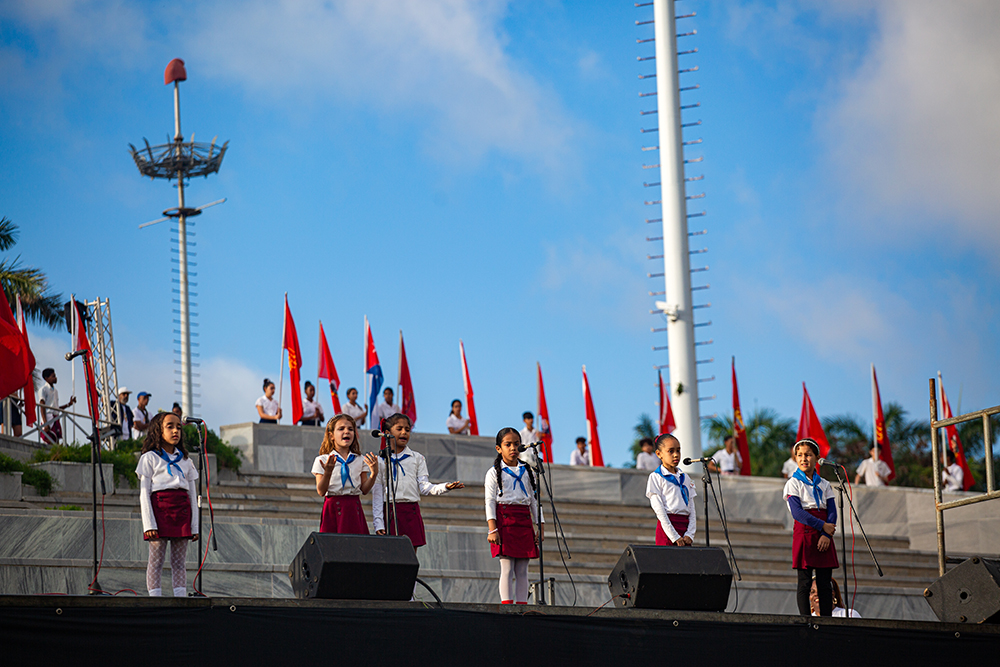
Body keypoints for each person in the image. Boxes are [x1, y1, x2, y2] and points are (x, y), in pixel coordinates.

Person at [372, 413, 464, 549]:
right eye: (399, 429)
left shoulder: (417, 458)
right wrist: (378, 522)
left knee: (410, 557)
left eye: (407, 430)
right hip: (390, 512)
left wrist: (445, 487)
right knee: (390, 556)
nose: (404, 432)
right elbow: (378, 494)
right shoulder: (380, 461)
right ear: (387, 433)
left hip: (411, 512)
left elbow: (425, 487)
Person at [136, 411, 199, 597]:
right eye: (169, 426)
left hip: (181, 512)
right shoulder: (149, 458)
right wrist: (149, 524)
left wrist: (194, 526)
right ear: (157, 430)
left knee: (179, 562)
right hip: (160, 511)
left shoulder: (186, 461)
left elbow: (193, 496)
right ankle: (155, 599)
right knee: (156, 560)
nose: (175, 431)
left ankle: (180, 598)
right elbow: (144, 494)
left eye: (178, 427)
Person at [486, 427, 543, 605]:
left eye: (516, 444)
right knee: (507, 567)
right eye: (508, 444)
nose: (513, 448)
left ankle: (521, 605)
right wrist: (492, 529)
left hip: (523, 520)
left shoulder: (528, 471)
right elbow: (489, 502)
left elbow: (534, 500)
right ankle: (507, 605)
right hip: (505, 520)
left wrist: (539, 525)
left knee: (523, 569)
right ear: (498, 448)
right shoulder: (494, 472)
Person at [784, 438, 838, 616]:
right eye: (799, 455)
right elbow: (798, 513)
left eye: (808, 455)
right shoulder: (793, 483)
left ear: (817, 458)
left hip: (823, 533)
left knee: (824, 582)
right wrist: (823, 526)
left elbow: (832, 511)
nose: (803, 459)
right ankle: (806, 620)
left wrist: (826, 534)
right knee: (805, 582)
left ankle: (826, 620)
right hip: (805, 532)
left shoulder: (824, 484)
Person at [311, 414, 378, 533]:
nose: (346, 431)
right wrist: (328, 472)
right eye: (341, 429)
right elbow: (321, 491)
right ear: (331, 435)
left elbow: (364, 490)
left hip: (353, 507)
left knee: (356, 546)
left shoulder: (359, 459)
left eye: (350, 429)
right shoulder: (323, 459)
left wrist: (373, 474)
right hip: (333, 507)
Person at [646, 433, 697, 546]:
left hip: (684, 527)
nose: (676, 455)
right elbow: (659, 509)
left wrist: (690, 533)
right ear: (659, 454)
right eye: (671, 451)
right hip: (668, 528)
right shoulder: (656, 477)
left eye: (678, 450)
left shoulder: (685, 478)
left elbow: (691, 507)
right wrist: (674, 536)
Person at [38, 368, 75, 444]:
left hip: (56, 417)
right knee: (49, 438)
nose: (55, 378)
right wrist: (45, 423)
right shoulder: (43, 389)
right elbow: (42, 406)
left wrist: (68, 404)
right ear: (46, 378)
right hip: (48, 417)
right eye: (53, 376)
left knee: (56, 439)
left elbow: (56, 408)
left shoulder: (55, 391)